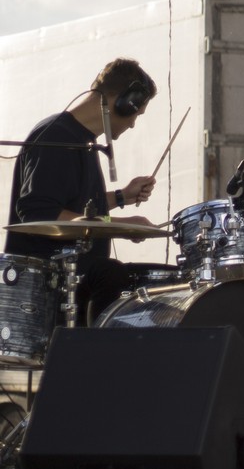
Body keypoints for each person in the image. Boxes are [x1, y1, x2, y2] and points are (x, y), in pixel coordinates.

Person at [6, 58, 159, 323]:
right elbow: (37, 212)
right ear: (124, 103)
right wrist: (121, 225)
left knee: (146, 277)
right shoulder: (57, 138)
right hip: (50, 282)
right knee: (112, 276)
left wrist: (122, 197)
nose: (133, 124)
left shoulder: (82, 141)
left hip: (71, 277)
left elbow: (77, 211)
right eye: (136, 113)